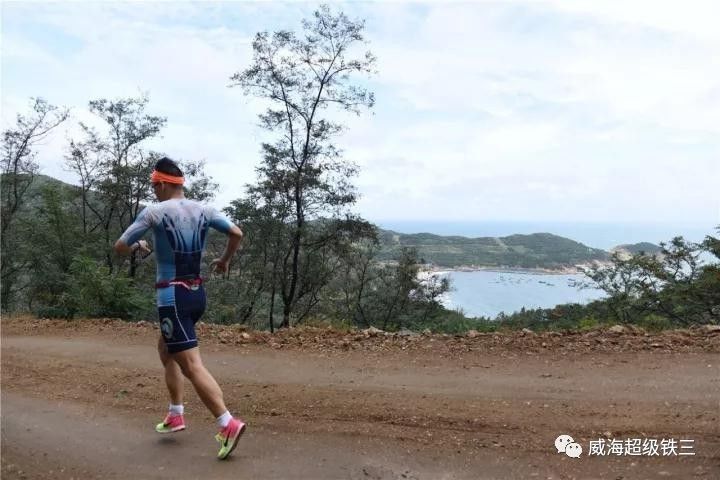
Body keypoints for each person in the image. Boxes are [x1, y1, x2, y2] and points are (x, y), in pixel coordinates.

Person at [114, 157, 246, 460]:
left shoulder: (154, 213)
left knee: (191, 364)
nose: (153, 191)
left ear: (161, 183)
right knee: (166, 349)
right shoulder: (205, 210)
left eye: (153, 186)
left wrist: (138, 247)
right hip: (196, 294)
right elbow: (236, 233)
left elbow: (120, 246)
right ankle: (176, 413)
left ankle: (227, 422)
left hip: (171, 298)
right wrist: (224, 261)